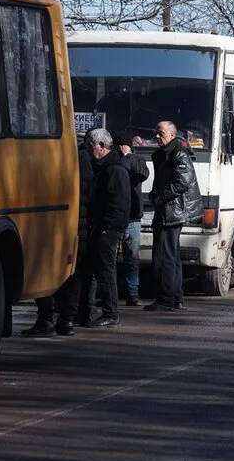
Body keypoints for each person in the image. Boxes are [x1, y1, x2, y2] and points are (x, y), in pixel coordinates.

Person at [22, 138, 93, 338]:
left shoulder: (57, 158)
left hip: (54, 226)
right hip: (79, 226)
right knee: (73, 274)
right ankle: (67, 321)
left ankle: (46, 319)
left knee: (44, 271)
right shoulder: (84, 162)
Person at [146, 120, 201, 312]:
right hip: (169, 209)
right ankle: (175, 297)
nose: (157, 137)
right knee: (171, 255)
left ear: (171, 134)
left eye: (160, 133)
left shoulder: (178, 153)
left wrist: (160, 197)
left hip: (172, 210)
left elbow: (182, 183)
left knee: (164, 255)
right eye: (156, 133)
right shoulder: (165, 154)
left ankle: (166, 298)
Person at [78, 128, 130, 327]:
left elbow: (119, 204)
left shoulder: (115, 169)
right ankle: (86, 310)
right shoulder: (104, 167)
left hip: (108, 229)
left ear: (101, 146)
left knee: (106, 271)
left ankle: (111, 312)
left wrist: (107, 227)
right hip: (101, 227)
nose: (90, 150)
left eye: (91, 146)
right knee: (92, 270)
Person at [114, 130, 149, 307]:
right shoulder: (114, 160)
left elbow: (142, 173)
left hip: (133, 218)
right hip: (116, 217)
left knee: (132, 259)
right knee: (112, 259)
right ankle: (112, 294)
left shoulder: (137, 160)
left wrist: (127, 156)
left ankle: (132, 293)